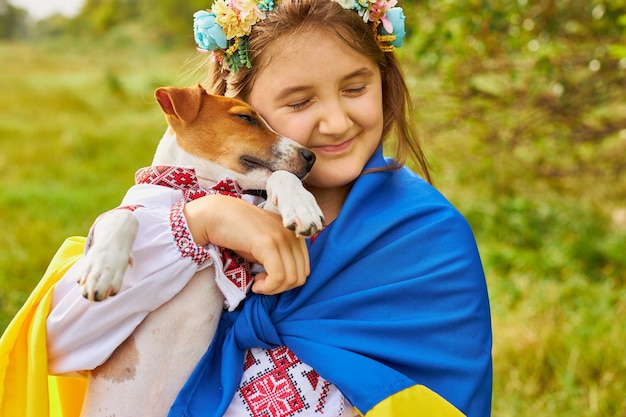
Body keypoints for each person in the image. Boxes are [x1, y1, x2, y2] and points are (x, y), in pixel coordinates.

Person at [0, 1, 492, 416]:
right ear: (241, 106)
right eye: (299, 103)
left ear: (384, 81)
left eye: (356, 88)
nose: (336, 121)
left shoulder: (423, 236)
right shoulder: (167, 218)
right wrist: (202, 221)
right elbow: (60, 346)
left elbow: (441, 391)